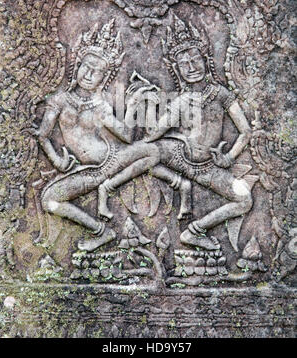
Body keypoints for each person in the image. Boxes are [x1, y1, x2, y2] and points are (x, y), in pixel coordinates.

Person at [37, 20, 160, 251]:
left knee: (153, 151)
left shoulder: (99, 105)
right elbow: (43, 135)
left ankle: (110, 186)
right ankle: (101, 231)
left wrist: (133, 103)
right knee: (49, 200)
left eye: (97, 71)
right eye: (86, 66)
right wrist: (57, 161)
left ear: (104, 78)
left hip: (110, 161)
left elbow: (125, 135)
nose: (89, 74)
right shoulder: (60, 100)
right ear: (77, 65)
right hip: (86, 172)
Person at [145, 14, 253, 251]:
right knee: (145, 155)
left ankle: (194, 231)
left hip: (208, 167)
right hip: (181, 158)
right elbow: (153, 135)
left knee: (244, 199)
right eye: (184, 64)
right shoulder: (182, 100)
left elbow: (245, 131)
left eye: (195, 60)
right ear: (177, 70)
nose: (191, 68)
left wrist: (230, 157)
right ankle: (179, 185)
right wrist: (144, 103)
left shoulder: (221, 95)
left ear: (206, 60)